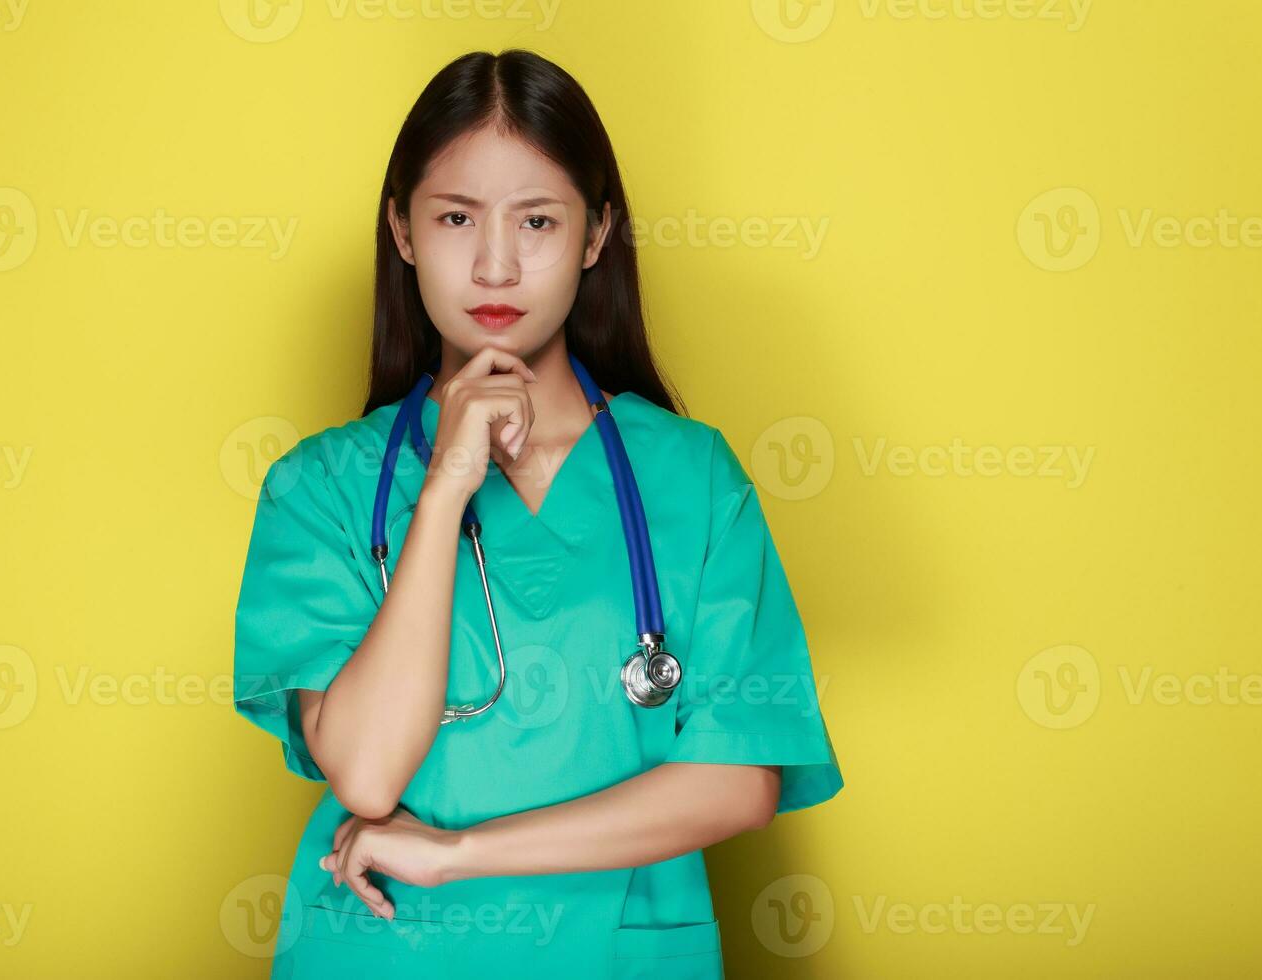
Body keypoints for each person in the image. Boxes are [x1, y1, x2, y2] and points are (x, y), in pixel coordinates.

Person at [232, 48, 844, 978]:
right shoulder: (319, 488)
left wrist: (459, 854)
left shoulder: (692, 477)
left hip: (625, 953)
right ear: (401, 230)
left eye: (539, 221)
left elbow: (741, 779)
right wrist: (442, 490)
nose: (495, 263)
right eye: (455, 217)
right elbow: (364, 773)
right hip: (382, 950)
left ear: (596, 236)